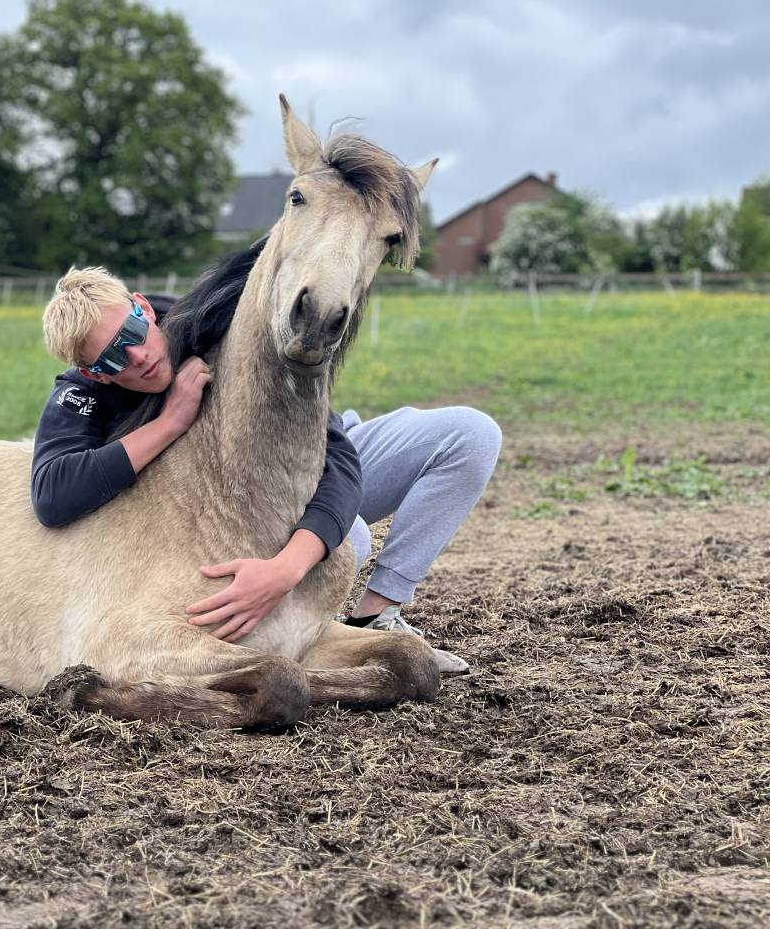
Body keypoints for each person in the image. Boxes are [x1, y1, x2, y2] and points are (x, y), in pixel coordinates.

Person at [30, 259, 500, 673]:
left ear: (143, 308)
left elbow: (337, 458)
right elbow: (52, 495)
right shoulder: (82, 392)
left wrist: (288, 568)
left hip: (308, 458)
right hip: (241, 509)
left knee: (471, 434)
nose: (138, 356)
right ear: (92, 372)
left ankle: (376, 615)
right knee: (349, 534)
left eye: (132, 335)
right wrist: (171, 421)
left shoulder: (213, 324)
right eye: (113, 357)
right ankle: (318, 632)